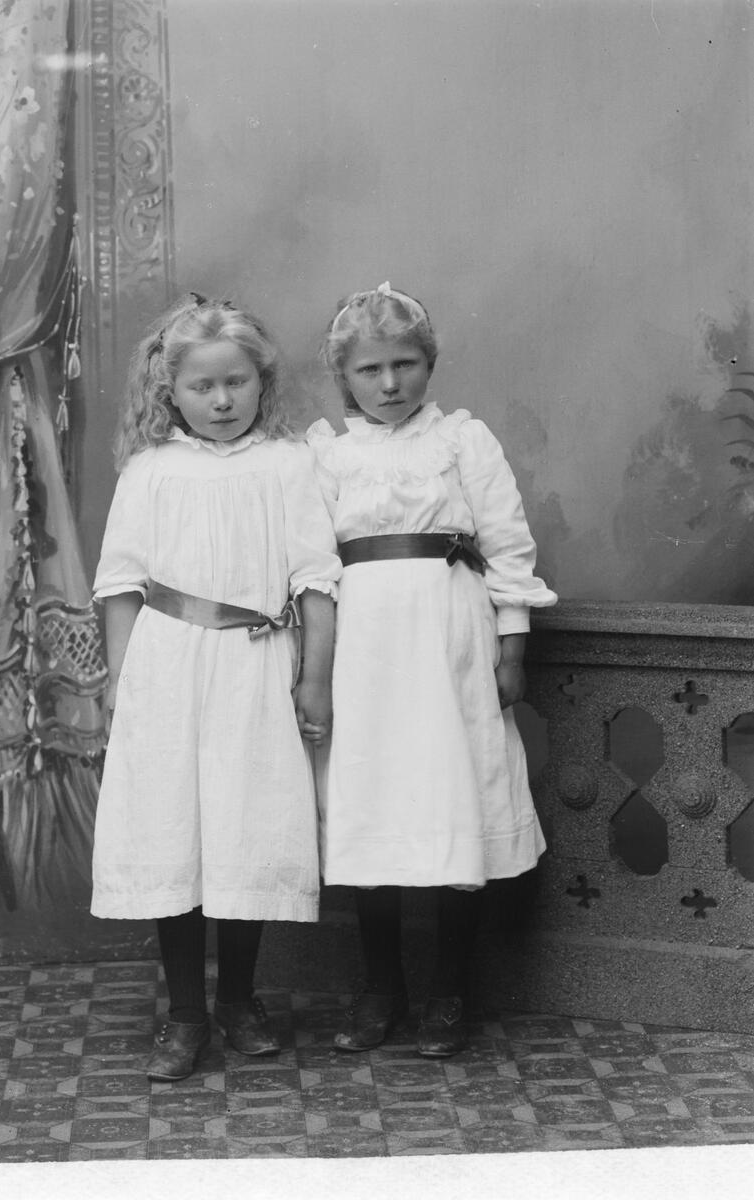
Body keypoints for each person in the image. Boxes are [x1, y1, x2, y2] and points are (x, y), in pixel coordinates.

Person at [91, 293, 340, 1082]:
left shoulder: (288, 464)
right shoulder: (151, 470)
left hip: (254, 664)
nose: (222, 400)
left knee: (245, 827)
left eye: (237, 382)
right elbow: (122, 585)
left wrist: (313, 679)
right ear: (170, 390)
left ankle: (237, 999)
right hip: (167, 667)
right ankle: (185, 1014)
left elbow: (315, 582)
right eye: (203, 386)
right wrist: (122, 683)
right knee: (174, 829)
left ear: (262, 381)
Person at [307, 282, 557, 1058]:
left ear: (429, 363)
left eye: (405, 365)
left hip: (448, 643)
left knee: (454, 798)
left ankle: (449, 990)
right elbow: (310, 564)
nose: (389, 384)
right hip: (363, 650)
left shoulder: (462, 442)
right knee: (371, 805)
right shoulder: (329, 455)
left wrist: (511, 645)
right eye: (370, 369)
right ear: (343, 376)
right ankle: (380, 989)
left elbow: (506, 545)